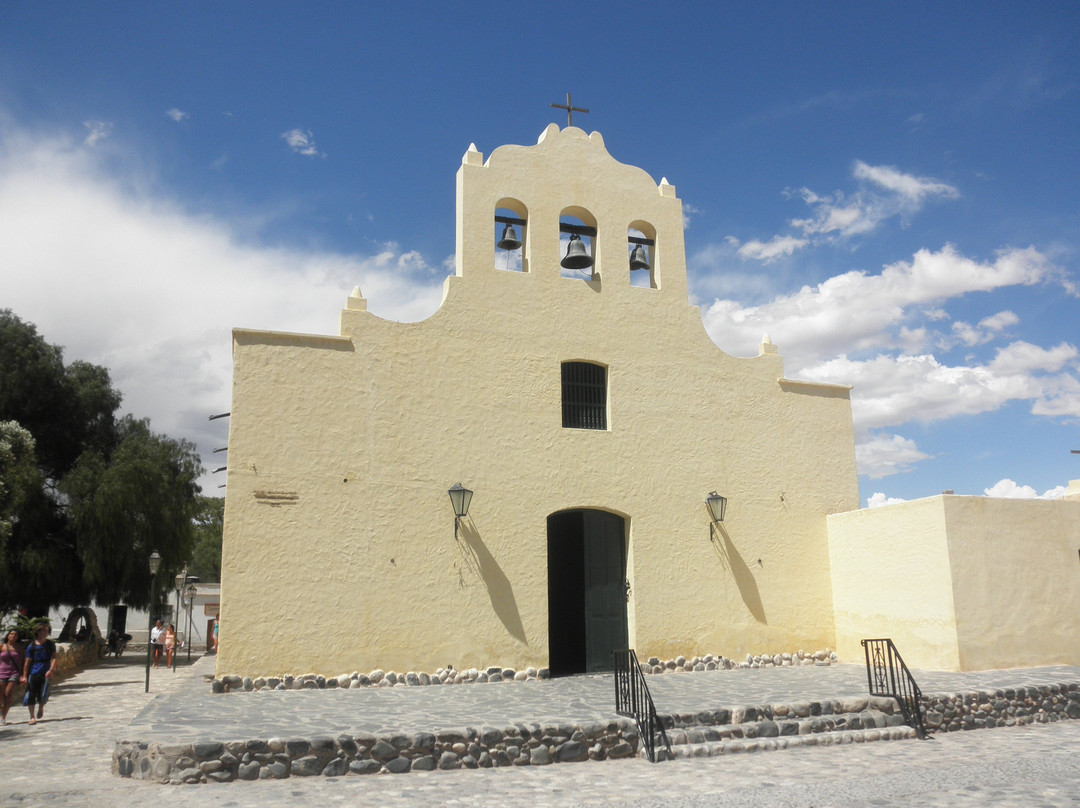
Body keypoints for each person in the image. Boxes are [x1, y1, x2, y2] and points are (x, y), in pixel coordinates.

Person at [21, 623, 56, 725]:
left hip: (46, 672)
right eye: (42, 630)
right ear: (38, 632)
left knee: (43, 693)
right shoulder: (31, 646)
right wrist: (24, 675)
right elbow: (27, 661)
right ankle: (32, 717)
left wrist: (51, 670)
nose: (44, 633)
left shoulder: (50, 644)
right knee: (31, 694)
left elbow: (54, 657)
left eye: (46, 631)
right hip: (34, 672)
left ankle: (41, 708)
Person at [0, 629, 23, 725]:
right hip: (1, 672)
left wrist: (22, 675)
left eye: (15, 635)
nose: (13, 636)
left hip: (14, 673)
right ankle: (1, 711)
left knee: (8, 694)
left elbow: (21, 662)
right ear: (8, 635)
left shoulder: (19, 648)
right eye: (11, 634)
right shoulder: (2, 646)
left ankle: (3, 717)